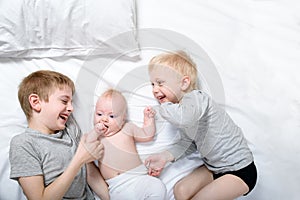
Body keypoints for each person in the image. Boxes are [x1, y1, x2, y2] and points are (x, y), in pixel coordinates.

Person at [145, 51, 257, 200]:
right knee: (181, 191)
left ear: (184, 83)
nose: (154, 89)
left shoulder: (197, 99)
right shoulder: (181, 110)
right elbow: (187, 143)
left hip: (240, 170)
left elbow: (184, 118)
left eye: (160, 83)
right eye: (152, 84)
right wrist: (164, 157)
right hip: (214, 168)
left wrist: (161, 108)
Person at [9, 70, 109, 200]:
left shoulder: (70, 130)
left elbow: (89, 172)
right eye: (64, 101)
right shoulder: (23, 144)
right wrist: (79, 160)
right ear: (35, 102)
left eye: (71, 102)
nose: (71, 108)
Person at [86, 89, 166, 200]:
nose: (104, 119)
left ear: (123, 118)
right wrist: (95, 131)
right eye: (99, 114)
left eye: (112, 116)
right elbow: (86, 148)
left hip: (138, 178)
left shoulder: (128, 128)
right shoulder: (96, 137)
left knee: (158, 187)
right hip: (117, 187)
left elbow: (147, 135)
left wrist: (149, 120)